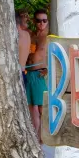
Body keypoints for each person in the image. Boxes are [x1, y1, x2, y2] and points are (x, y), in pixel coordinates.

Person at [25, 9, 49, 139]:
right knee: (31, 107)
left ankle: (42, 137)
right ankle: (35, 136)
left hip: (40, 74)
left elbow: (57, 54)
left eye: (44, 20)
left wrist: (48, 70)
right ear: (35, 21)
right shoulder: (32, 35)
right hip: (29, 73)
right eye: (39, 20)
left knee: (41, 108)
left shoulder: (48, 37)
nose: (41, 23)